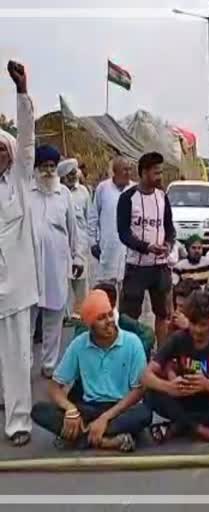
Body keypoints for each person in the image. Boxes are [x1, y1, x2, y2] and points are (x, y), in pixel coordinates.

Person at [31, 290, 152, 452]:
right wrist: (70, 409)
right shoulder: (79, 345)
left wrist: (104, 419)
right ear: (90, 325)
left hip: (120, 408)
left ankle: (82, 438)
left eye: (110, 315)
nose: (109, 321)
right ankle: (106, 440)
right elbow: (54, 386)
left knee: (144, 414)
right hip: (87, 408)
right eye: (101, 318)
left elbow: (138, 391)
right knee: (39, 411)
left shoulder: (132, 342)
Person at [142, 290, 209, 445]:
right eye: (194, 324)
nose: (198, 330)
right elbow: (146, 376)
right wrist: (169, 387)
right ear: (188, 320)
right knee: (150, 394)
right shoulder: (178, 339)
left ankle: (178, 427)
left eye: (203, 324)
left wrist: (206, 385)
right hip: (182, 399)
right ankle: (201, 430)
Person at [0, 61, 36, 446]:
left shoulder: (21, 182)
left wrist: (22, 92)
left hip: (15, 290)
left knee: (16, 358)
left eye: (2, 149)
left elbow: (27, 140)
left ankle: (18, 424)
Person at [30, 144, 84, 379]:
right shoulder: (26, 192)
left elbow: (73, 229)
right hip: (29, 267)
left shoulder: (64, 194)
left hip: (56, 264)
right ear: (36, 168)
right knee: (27, 320)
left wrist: (77, 255)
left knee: (54, 317)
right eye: (44, 166)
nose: (49, 171)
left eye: (52, 166)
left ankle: (49, 365)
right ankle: (24, 364)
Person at [117, 152, 175, 346]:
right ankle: (129, 354)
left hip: (160, 268)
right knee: (129, 317)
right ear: (143, 173)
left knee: (164, 313)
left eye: (160, 172)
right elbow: (123, 233)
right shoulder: (128, 198)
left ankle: (162, 356)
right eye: (155, 173)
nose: (160, 177)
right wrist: (146, 247)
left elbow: (170, 228)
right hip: (136, 267)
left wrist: (168, 244)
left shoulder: (163, 197)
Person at [73, 282, 155, 361]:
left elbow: (148, 334)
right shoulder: (86, 323)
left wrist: (132, 354)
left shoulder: (122, 321)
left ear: (112, 304)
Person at [89, 156, 134, 292]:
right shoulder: (103, 188)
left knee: (127, 291)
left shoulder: (135, 190)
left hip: (129, 250)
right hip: (108, 249)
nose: (128, 173)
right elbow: (93, 217)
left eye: (129, 170)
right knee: (107, 291)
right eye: (124, 170)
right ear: (115, 171)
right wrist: (92, 242)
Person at [59, 158, 91, 319]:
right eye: (69, 174)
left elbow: (89, 218)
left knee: (81, 283)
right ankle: (64, 315)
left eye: (74, 173)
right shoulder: (57, 193)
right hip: (62, 245)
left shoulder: (84, 192)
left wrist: (90, 242)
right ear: (63, 176)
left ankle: (81, 313)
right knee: (63, 281)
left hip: (80, 245)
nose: (73, 177)